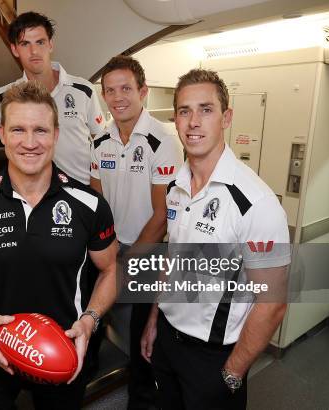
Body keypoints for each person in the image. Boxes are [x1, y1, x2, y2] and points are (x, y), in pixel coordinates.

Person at [0, 81, 117, 409]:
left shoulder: (89, 205)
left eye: (41, 130)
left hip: (63, 347)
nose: (30, 143)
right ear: (3, 134)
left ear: (56, 135)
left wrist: (89, 321)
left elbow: (110, 270)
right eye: (19, 130)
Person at [140, 69, 290, 409]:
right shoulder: (176, 187)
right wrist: (153, 320)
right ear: (175, 120)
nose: (193, 121)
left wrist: (232, 374)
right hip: (167, 340)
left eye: (206, 109)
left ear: (226, 117)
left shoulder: (256, 202)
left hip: (214, 358)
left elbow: (273, 304)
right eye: (184, 111)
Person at [90, 55, 183, 409]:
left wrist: (126, 260)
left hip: (147, 249)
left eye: (125, 88)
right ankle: (91, 366)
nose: (117, 97)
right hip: (109, 245)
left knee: (143, 334)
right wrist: (105, 247)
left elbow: (162, 216)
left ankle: (141, 399)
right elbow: (96, 201)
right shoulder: (100, 140)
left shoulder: (163, 141)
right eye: (110, 91)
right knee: (98, 313)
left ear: (142, 91)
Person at [0, 11, 105, 185]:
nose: (34, 51)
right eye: (25, 43)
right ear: (14, 49)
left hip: (81, 191)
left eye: (40, 42)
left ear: (50, 44)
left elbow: (101, 144)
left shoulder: (83, 91)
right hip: (31, 197)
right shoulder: (3, 98)